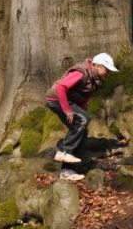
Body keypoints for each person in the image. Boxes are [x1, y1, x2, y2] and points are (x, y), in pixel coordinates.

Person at [45, 53, 119, 181]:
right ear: (97, 66)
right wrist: (68, 111)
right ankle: (63, 151)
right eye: (106, 70)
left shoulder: (95, 80)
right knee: (83, 119)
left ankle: (67, 170)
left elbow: (85, 98)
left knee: (81, 131)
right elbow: (61, 87)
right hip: (56, 99)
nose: (107, 74)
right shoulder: (81, 72)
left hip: (68, 102)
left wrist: (80, 111)